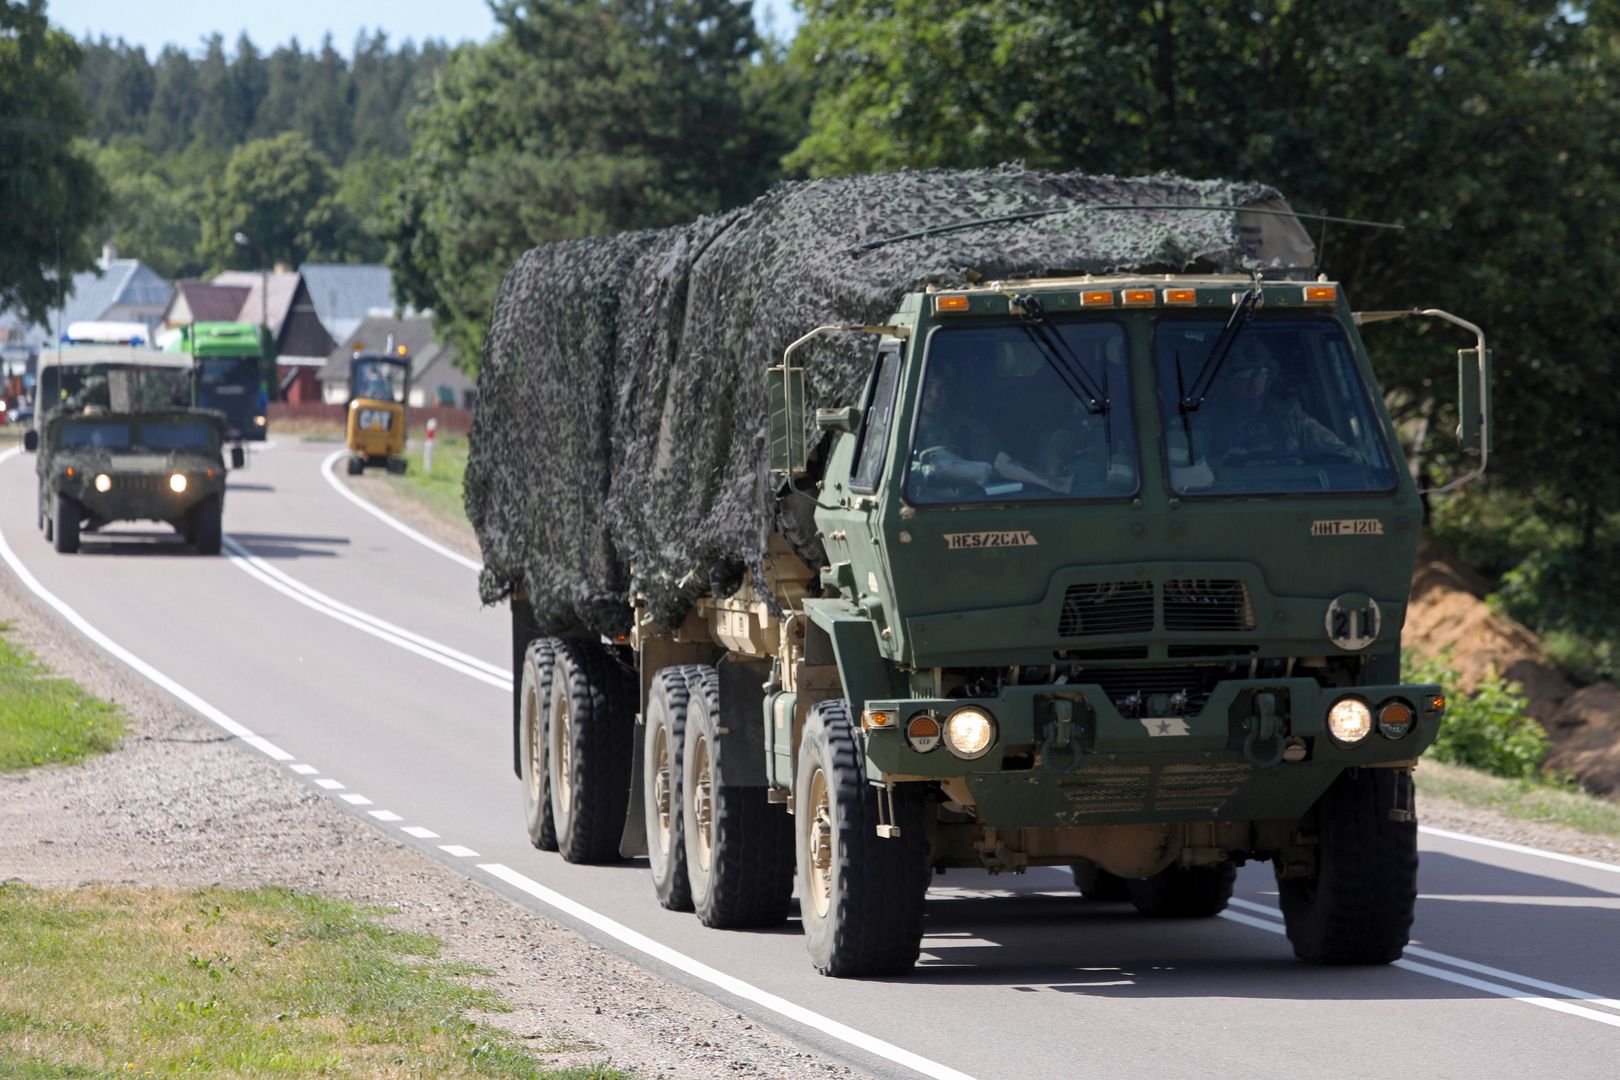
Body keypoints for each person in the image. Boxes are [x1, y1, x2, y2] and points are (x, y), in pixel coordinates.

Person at [910, 361, 1073, 497]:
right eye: (927, 386)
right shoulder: (901, 433)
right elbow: (894, 476)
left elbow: (1000, 464)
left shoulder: (969, 428)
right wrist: (928, 472)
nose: (935, 395)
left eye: (942, 388)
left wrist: (1048, 481)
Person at [1202, 343, 1360, 466]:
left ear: (1269, 378)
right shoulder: (1210, 422)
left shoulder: (1291, 417)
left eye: (1261, 371)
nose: (1254, 380)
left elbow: (1343, 455)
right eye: (1244, 373)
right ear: (1228, 381)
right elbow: (1192, 473)